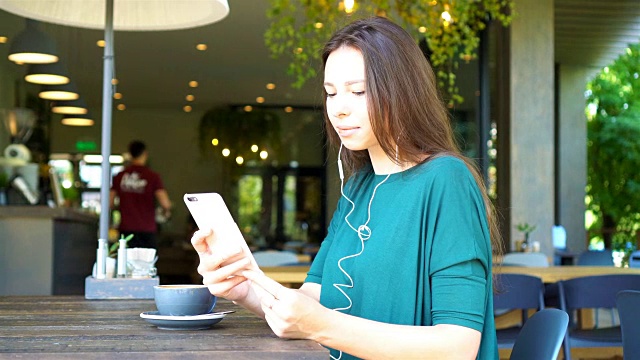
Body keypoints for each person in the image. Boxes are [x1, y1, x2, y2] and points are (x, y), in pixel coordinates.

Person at [191, 16, 502, 359]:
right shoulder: (358, 189)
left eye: (358, 91)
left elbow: (458, 347)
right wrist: (245, 286)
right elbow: (313, 300)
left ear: (402, 92)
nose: (339, 108)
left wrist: (321, 325)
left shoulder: (446, 181)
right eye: (330, 93)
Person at [110, 140, 172, 249]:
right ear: (145, 154)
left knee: (126, 262)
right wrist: (166, 212)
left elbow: (109, 202)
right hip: (147, 229)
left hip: (126, 228)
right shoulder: (152, 176)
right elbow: (165, 203)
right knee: (146, 264)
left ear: (130, 154)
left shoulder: (120, 176)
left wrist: (120, 207)